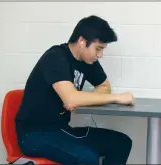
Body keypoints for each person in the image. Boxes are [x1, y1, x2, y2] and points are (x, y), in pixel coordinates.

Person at [15, 15, 134, 165]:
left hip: (61, 130)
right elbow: (71, 99)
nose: (100, 55)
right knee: (87, 158)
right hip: (33, 135)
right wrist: (116, 98)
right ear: (82, 41)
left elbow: (104, 86)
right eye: (98, 49)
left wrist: (80, 98)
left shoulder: (88, 61)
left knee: (121, 143)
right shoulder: (56, 57)